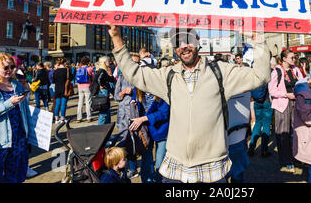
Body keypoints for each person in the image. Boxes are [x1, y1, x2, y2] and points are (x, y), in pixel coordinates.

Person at [108, 23, 270, 183]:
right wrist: (116, 37)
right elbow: (134, 74)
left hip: (211, 169)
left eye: (188, 40)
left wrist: (258, 39)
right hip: (176, 170)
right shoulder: (168, 76)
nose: (184, 46)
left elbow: (260, 76)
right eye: (178, 43)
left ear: (198, 40)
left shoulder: (220, 72)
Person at [0, 53, 32, 183]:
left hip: (18, 140)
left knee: (16, 177)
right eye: (5, 67)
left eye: (12, 67)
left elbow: (24, 111)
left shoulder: (16, 85)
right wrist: (8, 103)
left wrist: (28, 134)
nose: (10, 70)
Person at [269, 49, 304, 173]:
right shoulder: (277, 71)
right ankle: (285, 160)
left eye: (294, 57)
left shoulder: (296, 70)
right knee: (283, 133)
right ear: (284, 59)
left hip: (296, 104)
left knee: (296, 131)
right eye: (291, 58)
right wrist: (286, 94)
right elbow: (272, 91)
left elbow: (302, 83)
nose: (294, 60)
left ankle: (295, 156)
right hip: (282, 105)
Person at [129, 94, 170, 183]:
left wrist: (143, 119)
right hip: (145, 131)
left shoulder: (161, 89)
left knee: (160, 162)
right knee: (146, 160)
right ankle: (147, 180)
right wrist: (133, 101)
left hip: (161, 129)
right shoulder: (139, 87)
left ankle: (160, 180)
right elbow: (134, 96)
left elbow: (164, 113)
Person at [114, 52, 139, 178]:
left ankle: (133, 169)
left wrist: (134, 91)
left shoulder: (140, 77)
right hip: (123, 115)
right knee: (124, 141)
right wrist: (123, 92)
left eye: (137, 62)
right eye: (132, 62)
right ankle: (124, 168)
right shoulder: (122, 77)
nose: (134, 65)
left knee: (134, 141)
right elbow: (115, 97)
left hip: (136, 114)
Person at [225, 65, 251, 183]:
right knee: (238, 174)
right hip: (239, 136)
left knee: (224, 175)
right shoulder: (247, 90)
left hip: (229, 138)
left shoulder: (224, 90)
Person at [248, 83, 273, 158]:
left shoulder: (256, 77)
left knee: (257, 124)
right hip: (266, 102)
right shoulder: (268, 76)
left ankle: (251, 148)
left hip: (257, 103)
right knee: (266, 125)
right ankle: (264, 151)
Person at [94, 56, 116, 125]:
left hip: (105, 91)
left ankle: (107, 131)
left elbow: (112, 80)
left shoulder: (104, 71)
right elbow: (97, 80)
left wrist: (110, 76)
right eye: (108, 61)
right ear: (104, 62)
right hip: (103, 92)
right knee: (104, 113)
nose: (110, 62)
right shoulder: (102, 71)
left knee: (107, 112)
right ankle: (100, 131)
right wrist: (102, 86)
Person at [76, 56, 94, 123]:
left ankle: (79, 117)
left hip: (80, 86)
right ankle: (88, 117)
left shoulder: (78, 69)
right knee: (88, 102)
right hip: (87, 86)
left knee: (80, 102)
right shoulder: (89, 69)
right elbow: (93, 77)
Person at [53, 58, 69, 124]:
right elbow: (70, 78)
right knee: (63, 104)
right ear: (64, 63)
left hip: (57, 88)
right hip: (64, 89)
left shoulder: (55, 71)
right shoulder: (66, 70)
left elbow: (53, 80)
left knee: (57, 104)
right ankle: (62, 118)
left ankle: (56, 118)